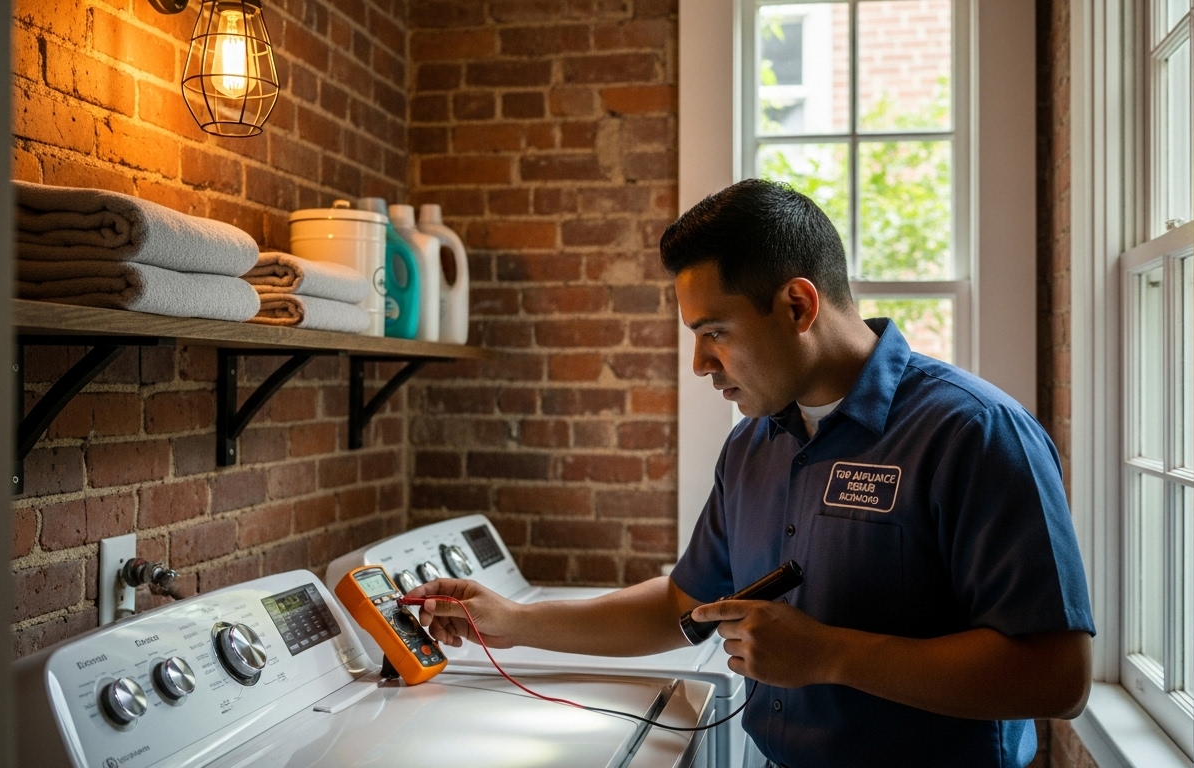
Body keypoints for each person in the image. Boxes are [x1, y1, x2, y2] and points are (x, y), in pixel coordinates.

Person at [410, 179, 1095, 767]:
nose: (701, 365)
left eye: (716, 333)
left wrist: (832, 656)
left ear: (797, 306)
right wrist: (515, 622)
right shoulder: (753, 447)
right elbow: (684, 606)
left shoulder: (974, 432)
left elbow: (1057, 677)